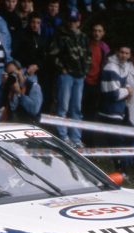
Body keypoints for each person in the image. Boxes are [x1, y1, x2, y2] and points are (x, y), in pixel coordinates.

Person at [48, 9, 90, 148]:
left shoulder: (83, 37)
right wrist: (62, 68)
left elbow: (88, 55)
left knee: (76, 108)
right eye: (71, 21)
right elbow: (52, 54)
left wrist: (85, 70)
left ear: (79, 22)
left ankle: (76, 138)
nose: (73, 23)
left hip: (80, 76)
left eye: (75, 21)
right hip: (66, 76)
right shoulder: (60, 35)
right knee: (63, 107)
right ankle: (63, 136)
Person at [97, 45, 133, 173]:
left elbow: (127, 84)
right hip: (109, 112)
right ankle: (119, 170)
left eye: (127, 53)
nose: (124, 55)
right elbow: (114, 94)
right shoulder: (110, 67)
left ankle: (121, 169)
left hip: (119, 111)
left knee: (127, 137)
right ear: (117, 52)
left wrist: (126, 90)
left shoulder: (125, 67)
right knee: (116, 142)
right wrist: (128, 91)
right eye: (122, 52)